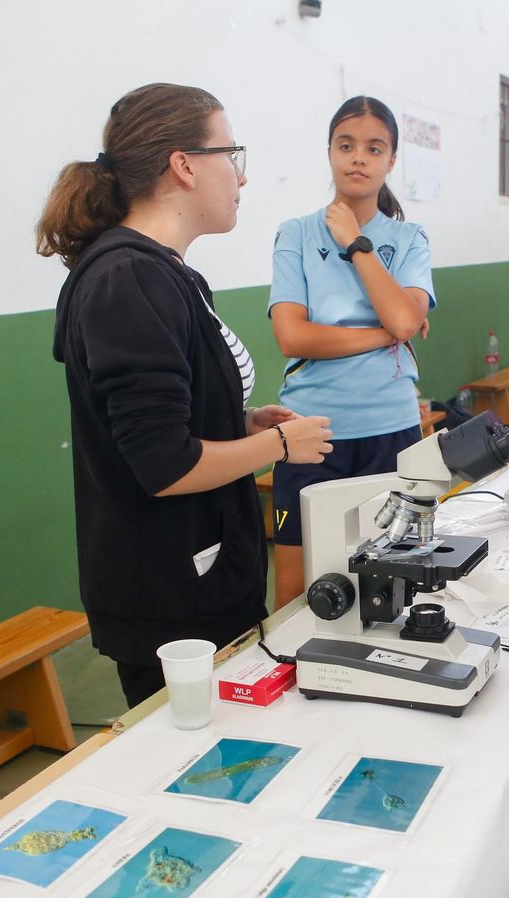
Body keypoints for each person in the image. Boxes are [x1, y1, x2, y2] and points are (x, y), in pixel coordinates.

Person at [39, 83, 333, 708]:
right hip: (168, 600)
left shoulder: (165, 273)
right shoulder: (127, 279)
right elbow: (164, 464)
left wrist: (243, 420)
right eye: (233, 155)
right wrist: (279, 444)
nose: (241, 179)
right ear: (184, 164)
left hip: (203, 578)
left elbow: (170, 408)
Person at [267, 96, 435, 608]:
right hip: (310, 432)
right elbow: (292, 336)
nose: (358, 158)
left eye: (373, 147)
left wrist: (355, 242)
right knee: (297, 593)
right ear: (330, 153)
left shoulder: (408, 238)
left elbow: (406, 318)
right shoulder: (295, 233)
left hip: (391, 426)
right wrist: (385, 333)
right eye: (346, 145)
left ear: (391, 161)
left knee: (396, 583)